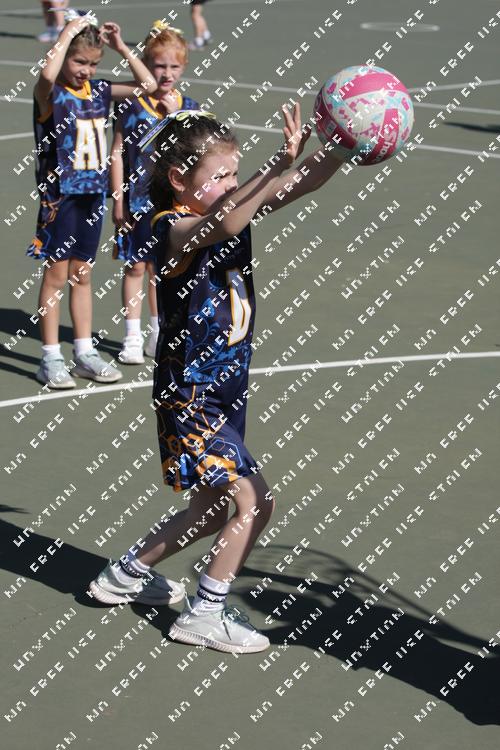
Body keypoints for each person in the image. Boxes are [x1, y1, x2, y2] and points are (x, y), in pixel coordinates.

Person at [89, 104, 344, 653]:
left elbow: (300, 183)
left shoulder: (229, 205)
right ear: (179, 179)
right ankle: (204, 612)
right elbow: (223, 222)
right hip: (192, 394)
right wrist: (273, 164)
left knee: (207, 513)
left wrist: (342, 145)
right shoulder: (169, 226)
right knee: (256, 502)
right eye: (221, 175)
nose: (232, 183)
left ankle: (124, 574)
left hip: (222, 389)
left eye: (235, 173)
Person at [27, 10, 157, 389]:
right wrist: (67, 32)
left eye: (93, 63)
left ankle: (84, 353)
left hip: (92, 196)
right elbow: (47, 74)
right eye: (79, 61)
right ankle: (50, 357)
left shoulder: (99, 91)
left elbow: (147, 85)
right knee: (56, 276)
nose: (86, 70)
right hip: (61, 198)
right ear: (65, 56)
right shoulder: (51, 95)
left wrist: (121, 48)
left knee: (82, 275)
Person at [111, 20, 199, 365]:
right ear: (146, 64)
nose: (166, 73)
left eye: (174, 66)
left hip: (170, 203)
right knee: (135, 267)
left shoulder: (188, 105)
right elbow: (117, 151)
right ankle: (132, 336)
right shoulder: (131, 103)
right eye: (159, 65)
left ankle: (157, 331)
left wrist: (176, 116)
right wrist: (118, 198)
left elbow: (194, 155)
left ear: (184, 67)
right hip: (136, 200)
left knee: (160, 270)